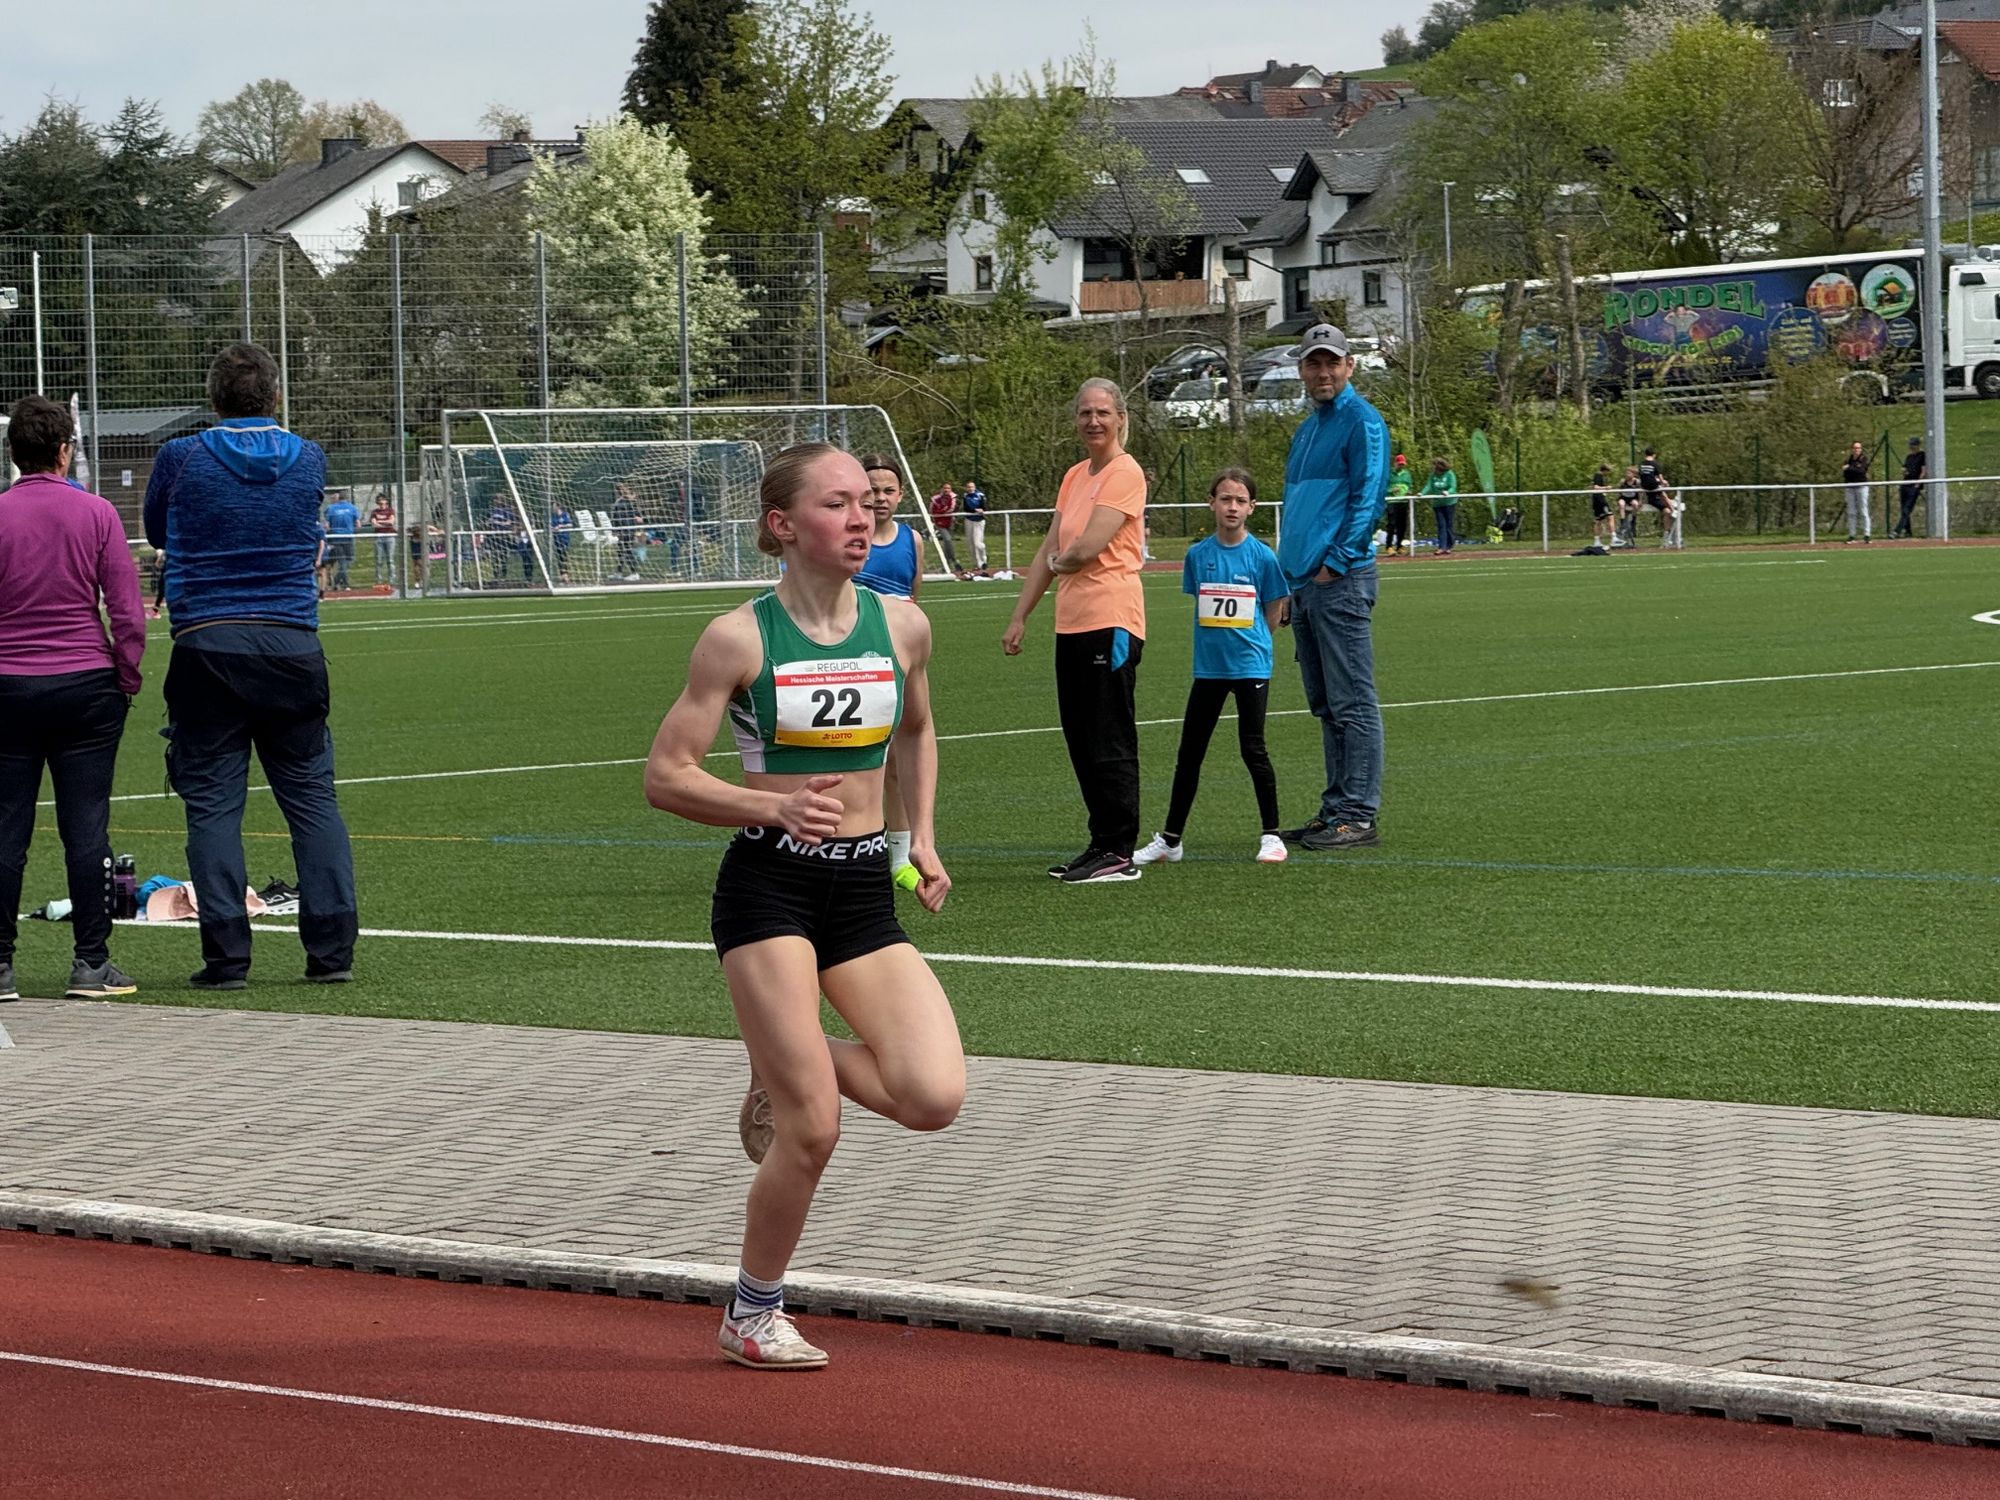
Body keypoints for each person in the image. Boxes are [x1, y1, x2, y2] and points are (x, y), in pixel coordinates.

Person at [643, 441, 963, 1371]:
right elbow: (666, 775)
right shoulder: (738, 639)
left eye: (867, 501)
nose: (863, 518)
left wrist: (918, 838)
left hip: (861, 891)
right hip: (770, 887)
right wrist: (769, 806)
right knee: (813, 1126)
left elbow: (917, 731)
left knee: (932, 1096)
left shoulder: (904, 626)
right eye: (837, 504)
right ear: (783, 525)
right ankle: (752, 1312)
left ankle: (781, 1053)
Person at [142, 341, 358, 990]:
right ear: (277, 396)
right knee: (313, 800)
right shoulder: (308, 457)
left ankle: (227, 957)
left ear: (213, 401)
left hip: (208, 645)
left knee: (212, 806)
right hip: (292, 645)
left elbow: (157, 532)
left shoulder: (181, 456)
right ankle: (332, 953)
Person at [0, 394, 146, 1002]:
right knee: (87, 829)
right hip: (85, 683)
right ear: (64, 451)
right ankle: (91, 962)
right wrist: (127, 675)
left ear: (14, 454)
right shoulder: (97, 513)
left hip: (8, 684)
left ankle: (0, 965)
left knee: (5, 829)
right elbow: (127, 609)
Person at [1001, 378, 1148, 883]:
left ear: (1120, 418)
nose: (1093, 421)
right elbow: (1052, 547)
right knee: (1082, 737)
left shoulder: (1126, 473)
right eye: (1085, 413)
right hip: (1073, 622)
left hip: (1112, 619)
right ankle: (1101, 842)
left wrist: (1062, 561)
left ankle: (1119, 848)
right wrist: (1021, 615)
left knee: (1109, 735)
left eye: (1102, 412)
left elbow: (1085, 549)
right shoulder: (1074, 476)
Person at [1134, 468, 1290, 869]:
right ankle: (1171, 840)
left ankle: (1272, 835)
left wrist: (1255, 643)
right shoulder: (1198, 555)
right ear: (1212, 503)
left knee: (1253, 748)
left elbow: (1274, 609)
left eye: (1240, 501)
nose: (1232, 507)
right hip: (1209, 668)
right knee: (1189, 753)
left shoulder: (1262, 556)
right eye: (1225, 499)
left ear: (1252, 507)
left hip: (1251, 666)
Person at [1274, 323, 1389, 852]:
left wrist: (1335, 564)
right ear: (1302, 369)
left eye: (1332, 362)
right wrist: (1289, 579)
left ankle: (1357, 813)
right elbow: (1299, 509)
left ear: (1349, 367)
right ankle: (1336, 808)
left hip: (1339, 582)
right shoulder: (1307, 430)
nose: (1323, 372)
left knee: (1352, 702)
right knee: (1326, 705)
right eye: (1314, 363)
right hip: (1305, 584)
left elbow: (1368, 500)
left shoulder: (1362, 422)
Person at [854, 454, 924, 893]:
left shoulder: (912, 540)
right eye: (872, 490)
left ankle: (899, 857)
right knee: (850, 758)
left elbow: (913, 600)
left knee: (898, 761)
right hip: (853, 661)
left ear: (900, 495)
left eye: (888, 490)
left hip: (896, 664)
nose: (880, 498)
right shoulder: (849, 537)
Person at [927, 482, 967, 579]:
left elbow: (951, 509)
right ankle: (954, 560)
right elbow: (932, 510)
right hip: (940, 522)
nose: (946, 490)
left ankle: (946, 564)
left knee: (948, 544)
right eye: (945, 488)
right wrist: (940, 512)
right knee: (948, 539)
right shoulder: (936, 499)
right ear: (942, 489)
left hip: (949, 522)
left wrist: (942, 510)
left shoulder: (952, 497)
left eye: (948, 488)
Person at [322, 489, 359, 593]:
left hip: (336, 537)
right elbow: (358, 523)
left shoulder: (331, 508)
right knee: (348, 560)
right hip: (347, 537)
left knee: (343, 561)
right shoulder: (352, 508)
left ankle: (337, 580)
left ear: (338, 498)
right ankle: (341, 582)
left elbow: (327, 525)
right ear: (347, 498)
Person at [1421, 456, 1458, 557]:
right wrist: (1422, 493)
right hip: (1438, 504)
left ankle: (1449, 545)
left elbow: (1453, 487)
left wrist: (1448, 492)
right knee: (1441, 525)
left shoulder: (1449, 474)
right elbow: (1428, 486)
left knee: (1449, 525)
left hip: (1449, 503)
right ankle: (1441, 547)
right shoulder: (1433, 476)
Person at [1841, 441, 1872, 544]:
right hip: (1850, 487)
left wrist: (1850, 468)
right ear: (1852, 449)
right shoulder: (1848, 459)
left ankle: (1867, 535)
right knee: (1851, 512)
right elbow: (1845, 473)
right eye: (1855, 448)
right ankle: (1852, 535)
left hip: (1862, 487)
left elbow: (1861, 471)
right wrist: (1852, 469)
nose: (1856, 450)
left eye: (1858, 448)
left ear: (1861, 449)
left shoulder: (1864, 459)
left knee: (1863, 511)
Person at [610, 482, 643, 580]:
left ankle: (634, 573)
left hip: (626, 530)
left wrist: (617, 530)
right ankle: (619, 572)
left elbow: (630, 517)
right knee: (621, 552)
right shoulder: (620, 502)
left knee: (627, 551)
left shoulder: (626, 503)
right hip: (623, 530)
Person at [1895, 436, 1924, 539]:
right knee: (1904, 509)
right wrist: (1904, 471)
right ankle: (1908, 531)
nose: (1912, 447)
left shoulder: (1922, 456)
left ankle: (1897, 530)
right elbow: (1905, 468)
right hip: (1906, 484)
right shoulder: (1909, 457)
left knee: (1907, 509)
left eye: (1914, 445)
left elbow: (1923, 470)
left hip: (1914, 486)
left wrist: (1918, 484)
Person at [1383, 453, 1413, 556]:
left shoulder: (1407, 474)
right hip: (1392, 501)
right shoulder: (1389, 474)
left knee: (1402, 525)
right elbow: (1384, 487)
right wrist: (1391, 490)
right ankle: (1389, 546)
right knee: (1391, 524)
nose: (1401, 466)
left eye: (1403, 464)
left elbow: (1410, 486)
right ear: (1395, 463)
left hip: (1403, 502)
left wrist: (1409, 492)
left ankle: (1399, 545)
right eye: (1399, 464)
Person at [960, 478, 989, 575]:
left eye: (971, 487)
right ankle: (977, 564)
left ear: (974, 487)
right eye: (968, 487)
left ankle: (984, 559)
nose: (970, 489)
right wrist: (975, 510)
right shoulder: (965, 496)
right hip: (969, 520)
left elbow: (984, 507)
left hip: (978, 521)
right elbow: (966, 508)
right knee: (971, 543)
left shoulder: (980, 495)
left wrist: (980, 510)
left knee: (978, 543)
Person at [368, 492, 397, 583]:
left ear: (386, 502)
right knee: (379, 559)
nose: (381, 504)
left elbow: (391, 522)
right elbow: (374, 524)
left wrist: (380, 521)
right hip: (379, 537)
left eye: (383, 502)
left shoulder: (390, 511)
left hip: (389, 536)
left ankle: (392, 579)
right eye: (379, 502)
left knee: (390, 559)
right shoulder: (374, 512)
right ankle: (378, 579)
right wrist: (384, 522)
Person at [1615, 467, 1641, 548]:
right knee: (1621, 504)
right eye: (1626, 473)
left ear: (1633, 474)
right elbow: (1618, 491)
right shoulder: (1623, 481)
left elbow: (1641, 492)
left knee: (1635, 504)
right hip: (1624, 498)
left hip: (1633, 498)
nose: (1627, 475)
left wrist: (1640, 501)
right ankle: (1622, 521)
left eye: (1629, 473)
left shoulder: (1637, 482)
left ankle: (1633, 519)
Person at [1590, 465, 1614, 550]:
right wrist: (1606, 488)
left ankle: (1597, 541)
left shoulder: (1599, 476)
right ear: (1605, 470)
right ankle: (1614, 537)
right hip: (1600, 500)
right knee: (1610, 516)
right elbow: (1595, 487)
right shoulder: (1598, 475)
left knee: (1598, 520)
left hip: (1597, 499)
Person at [550, 501, 575, 583]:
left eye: (554, 506)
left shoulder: (565, 515)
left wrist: (561, 526)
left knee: (563, 556)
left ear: (558, 507)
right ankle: (562, 575)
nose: (553, 508)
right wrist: (553, 528)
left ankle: (566, 575)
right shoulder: (553, 516)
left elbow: (570, 524)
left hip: (564, 538)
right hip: (556, 539)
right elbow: (550, 526)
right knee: (559, 557)